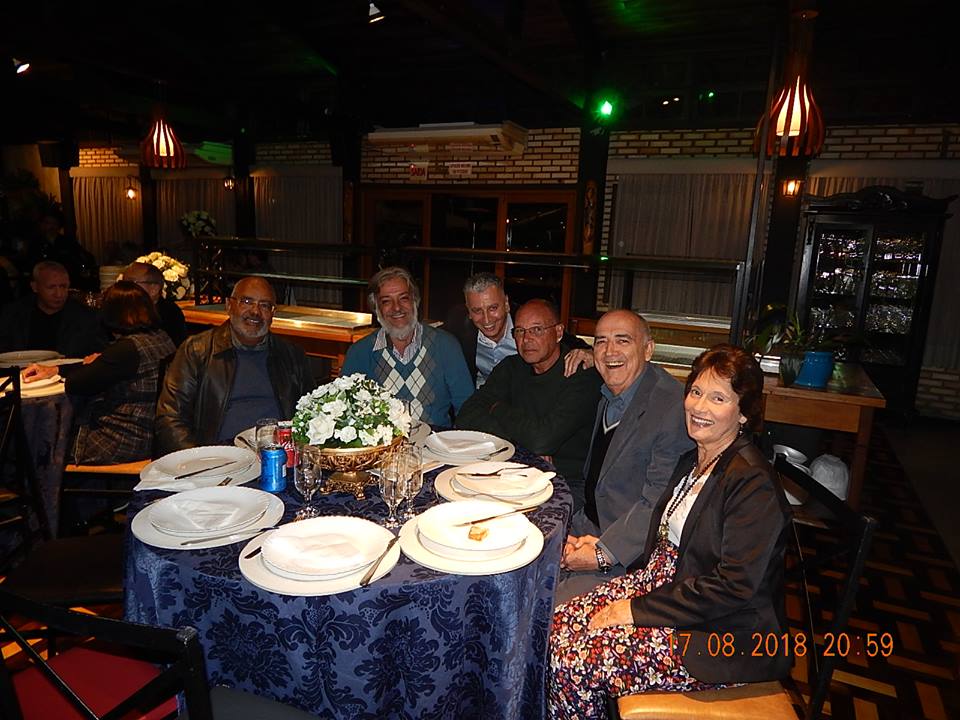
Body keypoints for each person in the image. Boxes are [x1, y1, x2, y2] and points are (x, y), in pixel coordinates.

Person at [548, 345, 792, 719]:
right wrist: (604, 546)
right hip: (666, 585)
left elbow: (733, 588)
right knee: (557, 625)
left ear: (743, 412)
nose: (699, 407)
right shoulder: (695, 459)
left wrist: (634, 610)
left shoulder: (752, 484)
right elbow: (669, 536)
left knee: (573, 660)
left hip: (721, 631)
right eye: (695, 392)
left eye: (718, 398)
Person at [556, 309, 692, 601]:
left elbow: (658, 503)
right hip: (588, 526)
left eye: (623, 340)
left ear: (648, 349)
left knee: (547, 608)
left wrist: (602, 554)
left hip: (628, 555)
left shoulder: (670, 408)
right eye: (601, 342)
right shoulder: (612, 390)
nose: (609, 351)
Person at [456, 299, 602, 498]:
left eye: (537, 330)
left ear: (558, 332)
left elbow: (542, 439)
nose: (526, 339)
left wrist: (496, 408)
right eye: (520, 331)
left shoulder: (580, 373)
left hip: (565, 482)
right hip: (510, 470)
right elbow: (466, 416)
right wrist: (523, 446)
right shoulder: (511, 367)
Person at [155, 276, 313, 454]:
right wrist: (200, 460)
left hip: (279, 457)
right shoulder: (197, 351)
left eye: (265, 305)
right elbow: (170, 418)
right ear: (229, 306)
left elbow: (311, 415)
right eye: (247, 302)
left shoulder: (291, 355)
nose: (255, 311)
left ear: (273, 313)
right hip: (217, 457)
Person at [21, 281, 175, 463]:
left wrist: (90, 364)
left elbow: (77, 384)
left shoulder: (126, 349)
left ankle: (34, 480)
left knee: (40, 440)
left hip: (121, 440)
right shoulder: (161, 338)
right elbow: (100, 369)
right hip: (152, 435)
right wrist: (56, 369)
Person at [341, 266, 473, 427]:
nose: (397, 308)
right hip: (383, 442)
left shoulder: (445, 346)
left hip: (434, 440)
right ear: (376, 308)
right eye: (386, 301)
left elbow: (468, 408)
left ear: (415, 301)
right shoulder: (360, 353)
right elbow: (344, 412)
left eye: (403, 298)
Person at [446, 272, 593, 387]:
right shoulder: (458, 324)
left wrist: (589, 353)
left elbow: (572, 343)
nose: (486, 319)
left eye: (493, 308)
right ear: (468, 311)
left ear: (506, 304)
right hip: (484, 397)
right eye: (477, 310)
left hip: (526, 396)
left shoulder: (527, 319)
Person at [0, 260, 104, 357]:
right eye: (51, 287)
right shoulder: (13, 315)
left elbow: (99, 355)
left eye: (63, 286)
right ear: (35, 287)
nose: (59, 294)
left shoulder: (85, 317)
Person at [122, 261, 188, 346]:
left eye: (131, 282)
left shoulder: (168, 314)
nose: (123, 288)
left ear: (154, 289)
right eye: (122, 282)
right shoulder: (122, 307)